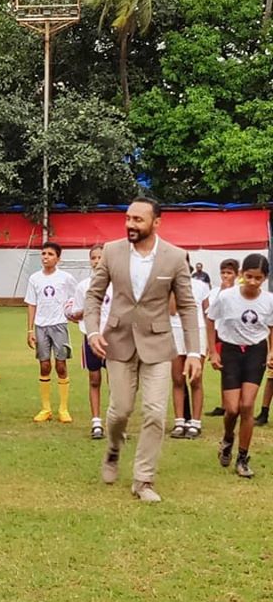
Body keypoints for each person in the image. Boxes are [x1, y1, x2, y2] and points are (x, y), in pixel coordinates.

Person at [85, 197, 201, 503]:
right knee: (120, 410)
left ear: (156, 222)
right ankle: (112, 449)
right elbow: (94, 296)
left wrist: (193, 352)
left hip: (158, 344)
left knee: (154, 412)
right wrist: (94, 331)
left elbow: (188, 306)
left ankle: (143, 479)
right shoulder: (111, 251)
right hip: (118, 341)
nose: (130, 225)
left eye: (138, 220)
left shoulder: (175, 257)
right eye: (128, 218)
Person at [207, 254, 273, 479]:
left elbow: (271, 327)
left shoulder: (269, 300)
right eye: (249, 277)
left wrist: (272, 351)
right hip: (231, 350)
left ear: (265, 278)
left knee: (247, 406)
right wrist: (213, 351)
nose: (253, 282)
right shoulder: (226, 297)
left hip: (256, 351)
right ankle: (227, 439)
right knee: (232, 408)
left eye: (259, 278)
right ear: (242, 274)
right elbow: (210, 319)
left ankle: (242, 458)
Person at [25, 242, 77, 423]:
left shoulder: (66, 278)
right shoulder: (34, 279)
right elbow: (31, 303)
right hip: (41, 326)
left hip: (59, 325)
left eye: (50, 254)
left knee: (61, 365)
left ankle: (63, 408)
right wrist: (30, 329)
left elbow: (75, 297)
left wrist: (73, 312)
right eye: (43, 254)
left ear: (58, 258)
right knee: (44, 365)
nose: (45, 257)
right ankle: (46, 408)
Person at [67, 244, 112, 440]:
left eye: (100, 257)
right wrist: (80, 312)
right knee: (94, 379)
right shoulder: (83, 286)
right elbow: (76, 313)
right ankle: (96, 422)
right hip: (91, 337)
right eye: (93, 258)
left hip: (113, 339)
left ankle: (115, 422)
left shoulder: (116, 284)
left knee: (116, 382)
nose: (96, 261)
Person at [168, 255, 211, 440]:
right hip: (175, 331)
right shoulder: (167, 286)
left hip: (197, 330)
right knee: (178, 379)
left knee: (195, 379)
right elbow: (171, 310)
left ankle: (195, 422)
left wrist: (209, 343)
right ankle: (179, 421)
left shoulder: (200, 286)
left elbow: (207, 312)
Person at [210, 259, 240, 418]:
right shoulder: (215, 291)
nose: (225, 276)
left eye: (229, 273)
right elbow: (212, 312)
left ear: (236, 274)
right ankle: (224, 404)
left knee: (233, 370)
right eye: (223, 273)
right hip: (219, 333)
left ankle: (233, 404)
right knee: (223, 370)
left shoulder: (240, 291)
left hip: (234, 334)